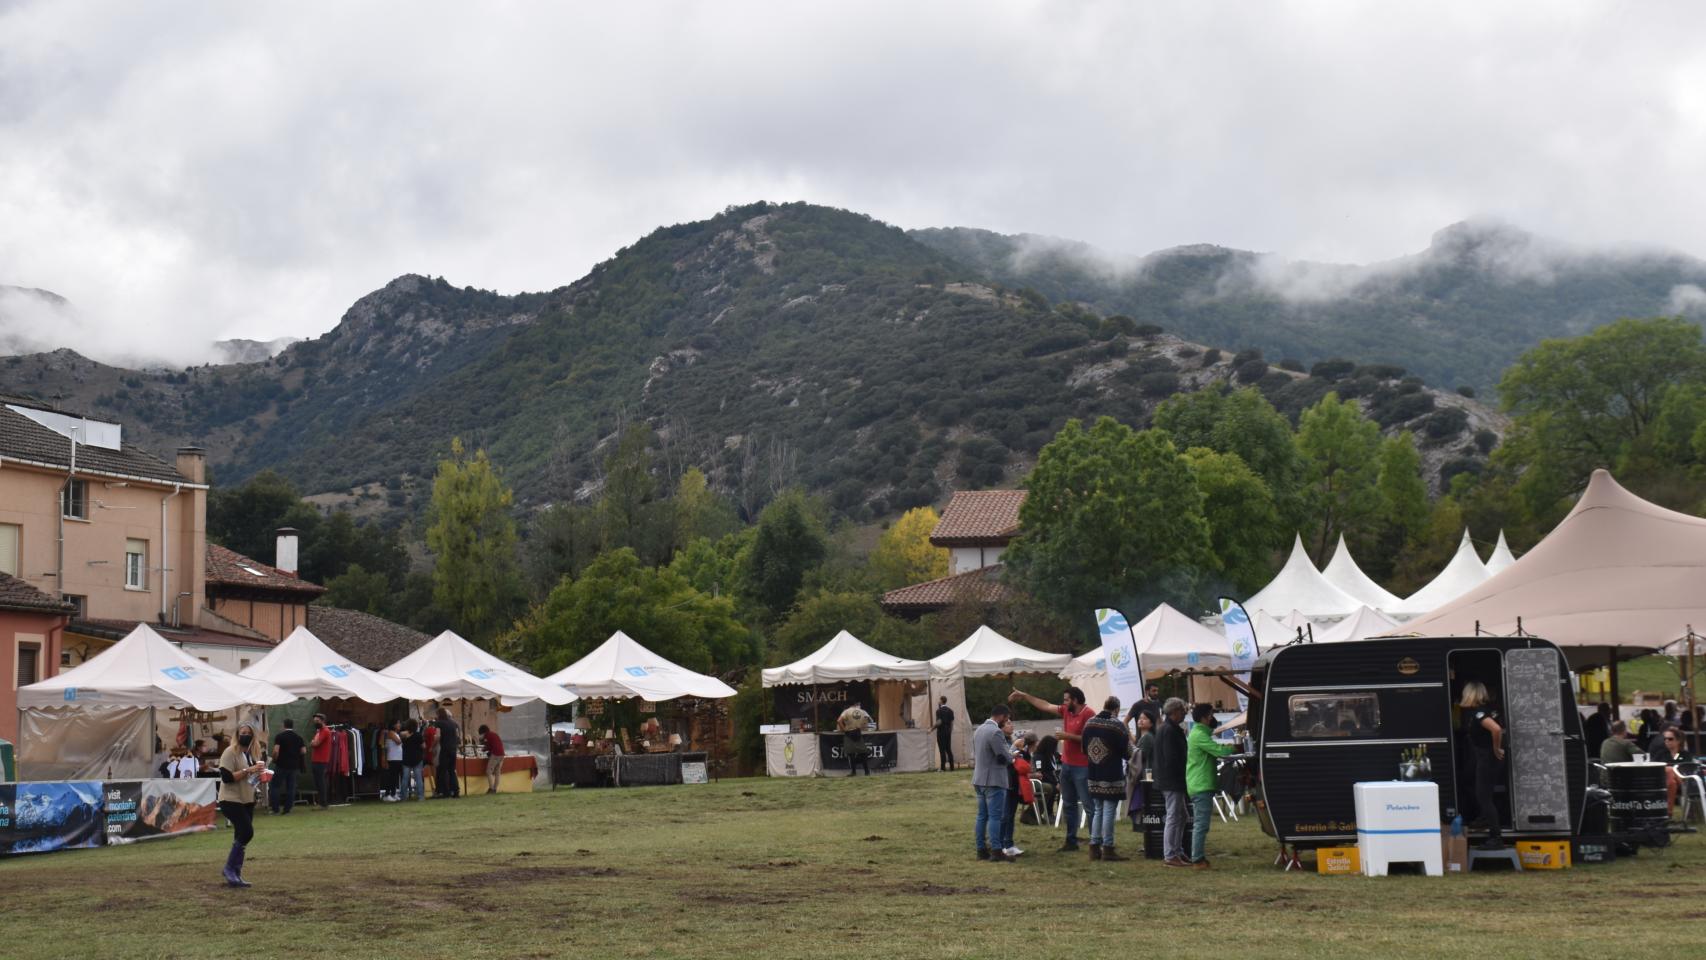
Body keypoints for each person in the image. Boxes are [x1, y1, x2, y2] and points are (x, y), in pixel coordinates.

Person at [1009, 685, 1093, 852]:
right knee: (1068, 804)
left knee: (1088, 805)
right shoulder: (1066, 711)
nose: (1063, 703)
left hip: (1082, 766)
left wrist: (1068, 736)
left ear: (1075, 700)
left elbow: (1092, 739)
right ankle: (1071, 841)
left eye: (1066, 700)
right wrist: (1026, 695)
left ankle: (1096, 841)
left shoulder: (1089, 714)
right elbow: (1045, 705)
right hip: (1068, 766)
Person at [217, 722, 266, 888]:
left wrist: (261, 775)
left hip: (247, 799)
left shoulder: (252, 754)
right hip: (230, 799)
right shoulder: (230, 752)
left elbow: (250, 778)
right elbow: (227, 778)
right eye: (242, 732)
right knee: (247, 832)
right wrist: (249, 770)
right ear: (237, 735)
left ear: (253, 736)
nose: (246, 735)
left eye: (248, 732)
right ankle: (229, 868)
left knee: (241, 835)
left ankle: (236, 873)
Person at [1083, 696, 1132, 862]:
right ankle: (1108, 848)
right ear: (1116, 709)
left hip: (1094, 773)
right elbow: (1128, 752)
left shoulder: (1089, 723)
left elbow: (1084, 749)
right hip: (1112, 773)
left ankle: (1094, 847)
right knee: (1109, 810)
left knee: (1098, 810)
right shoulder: (1117, 725)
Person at [1185, 702, 1234, 868]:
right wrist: (1235, 747)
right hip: (1201, 785)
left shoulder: (1200, 733)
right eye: (1211, 715)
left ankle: (1198, 857)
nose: (1213, 718)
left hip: (1201, 784)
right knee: (1201, 825)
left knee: (1201, 824)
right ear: (1204, 717)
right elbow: (1219, 751)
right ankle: (1197, 859)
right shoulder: (1199, 735)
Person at [1460, 682, 1507, 850]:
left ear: (1470, 695)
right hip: (1484, 757)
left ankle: (1496, 837)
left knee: (1484, 797)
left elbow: (1496, 729)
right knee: (1476, 788)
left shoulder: (1479, 713)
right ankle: (1484, 818)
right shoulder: (1486, 710)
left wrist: (1496, 748)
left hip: (1487, 758)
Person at [972, 704, 1013, 861]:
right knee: (995, 817)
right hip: (993, 780)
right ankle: (996, 850)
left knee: (982, 816)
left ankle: (981, 849)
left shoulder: (979, 730)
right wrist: (1013, 755)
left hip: (979, 778)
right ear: (1001, 716)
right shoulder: (995, 732)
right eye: (1007, 718)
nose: (1007, 721)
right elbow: (1003, 756)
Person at [1154, 698, 1189, 866]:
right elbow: (1172, 758)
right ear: (1174, 712)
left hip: (1169, 779)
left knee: (1181, 816)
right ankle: (1170, 854)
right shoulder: (1169, 730)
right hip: (1172, 780)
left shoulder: (1168, 728)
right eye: (1182, 710)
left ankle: (1177, 850)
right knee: (1174, 816)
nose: (1184, 713)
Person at [1128, 708, 1157, 831]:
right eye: (1139, 718)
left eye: (1144, 718)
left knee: (1143, 808)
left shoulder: (1147, 738)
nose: (1141, 720)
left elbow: (1139, 757)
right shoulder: (1145, 737)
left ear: (1151, 723)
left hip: (1145, 776)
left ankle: (1148, 841)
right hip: (1145, 775)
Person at [269, 718, 306, 815]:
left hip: (281, 765)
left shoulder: (280, 736)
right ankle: (287, 810)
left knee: (275, 786)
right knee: (291, 787)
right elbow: (303, 751)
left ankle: (275, 809)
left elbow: (276, 750)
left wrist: (273, 759)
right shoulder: (298, 737)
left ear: (283, 725)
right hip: (294, 766)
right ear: (292, 726)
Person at [837, 702, 874, 776]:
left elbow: (839, 721)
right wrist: (861, 726)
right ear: (856, 704)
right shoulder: (862, 711)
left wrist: (844, 729)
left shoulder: (846, 711)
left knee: (851, 754)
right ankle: (867, 772)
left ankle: (853, 772)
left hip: (849, 733)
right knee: (863, 753)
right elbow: (868, 721)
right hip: (857, 732)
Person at [1032, 735, 1060, 822]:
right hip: (1044, 781)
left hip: (1053, 779)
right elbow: (1040, 772)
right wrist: (1056, 783)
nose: (1055, 748)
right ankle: (1049, 813)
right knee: (1053, 789)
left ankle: (1061, 814)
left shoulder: (1052, 755)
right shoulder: (1039, 756)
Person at [435, 709, 461, 798]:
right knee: (452, 771)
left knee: (443, 770)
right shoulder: (453, 723)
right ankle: (456, 791)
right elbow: (457, 737)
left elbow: (438, 736)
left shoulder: (439, 723)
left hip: (445, 749)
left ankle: (446, 792)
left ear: (439, 715)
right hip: (453, 749)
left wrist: (432, 745)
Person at [308, 714, 332, 809]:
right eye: (314, 721)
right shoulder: (320, 731)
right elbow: (314, 742)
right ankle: (322, 803)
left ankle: (323, 803)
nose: (315, 723)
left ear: (322, 721)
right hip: (317, 760)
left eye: (317, 721)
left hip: (321, 760)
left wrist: (313, 742)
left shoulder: (325, 731)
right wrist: (313, 742)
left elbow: (315, 743)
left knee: (320, 782)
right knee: (318, 782)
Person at [400, 718, 426, 801]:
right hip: (417, 758)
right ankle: (420, 796)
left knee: (405, 778)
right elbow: (423, 746)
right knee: (418, 778)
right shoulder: (418, 735)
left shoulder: (404, 735)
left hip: (406, 758)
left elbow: (401, 735)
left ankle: (403, 797)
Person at [380, 720, 404, 801]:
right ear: (393, 725)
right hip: (392, 758)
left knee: (395, 777)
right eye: (398, 723)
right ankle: (387, 794)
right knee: (391, 777)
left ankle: (393, 793)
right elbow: (398, 742)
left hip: (397, 758)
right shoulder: (391, 733)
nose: (399, 725)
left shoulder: (396, 733)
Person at [478, 723, 505, 795]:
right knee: (497, 773)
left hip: (495, 754)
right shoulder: (493, 734)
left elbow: (488, 746)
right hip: (502, 754)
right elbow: (494, 745)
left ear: (482, 733)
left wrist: (483, 749)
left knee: (488, 771)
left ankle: (491, 789)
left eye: (480, 734)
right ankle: (495, 789)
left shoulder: (487, 736)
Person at [935, 696, 957, 772]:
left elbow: (939, 722)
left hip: (941, 731)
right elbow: (952, 723)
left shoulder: (938, 711)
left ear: (941, 701)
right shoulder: (950, 711)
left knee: (942, 750)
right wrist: (950, 731)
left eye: (939, 700)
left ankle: (943, 768)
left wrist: (931, 729)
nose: (938, 701)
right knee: (948, 750)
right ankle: (952, 767)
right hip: (948, 731)